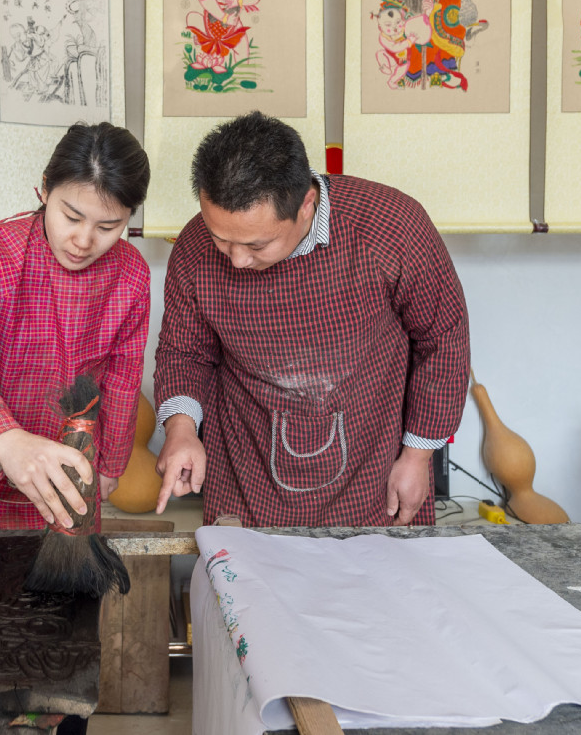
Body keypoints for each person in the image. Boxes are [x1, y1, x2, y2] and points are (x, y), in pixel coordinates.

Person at [153, 111, 469, 528]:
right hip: (246, 474)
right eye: (221, 238)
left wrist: (417, 456)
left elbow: (443, 338)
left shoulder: (391, 225)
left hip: (373, 465)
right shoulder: (195, 247)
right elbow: (184, 352)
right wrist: (180, 430)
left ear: (306, 205)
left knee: (376, 587)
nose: (237, 259)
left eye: (256, 244)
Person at [0, 122, 151, 532]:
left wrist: (112, 463)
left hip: (72, 465)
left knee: (62, 584)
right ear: (44, 190)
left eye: (108, 227)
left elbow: (124, 378)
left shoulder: (131, 274)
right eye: (71, 216)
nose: (84, 240)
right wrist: (7, 440)